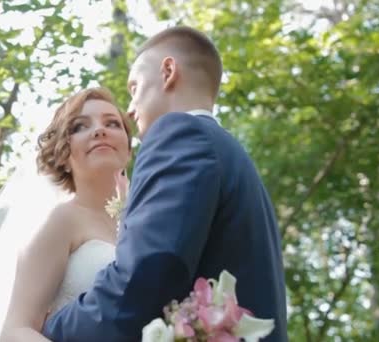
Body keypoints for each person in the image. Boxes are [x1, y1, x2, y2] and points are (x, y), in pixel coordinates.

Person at [42, 26, 288, 341]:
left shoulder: (179, 133)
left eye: (134, 88)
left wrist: (53, 326)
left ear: (168, 71)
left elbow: (146, 276)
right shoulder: (232, 154)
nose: (129, 109)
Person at [0, 87, 132, 341]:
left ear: (129, 149)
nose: (100, 130)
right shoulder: (62, 220)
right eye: (80, 127)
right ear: (64, 156)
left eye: (112, 123)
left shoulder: (143, 221)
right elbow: (15, 330)